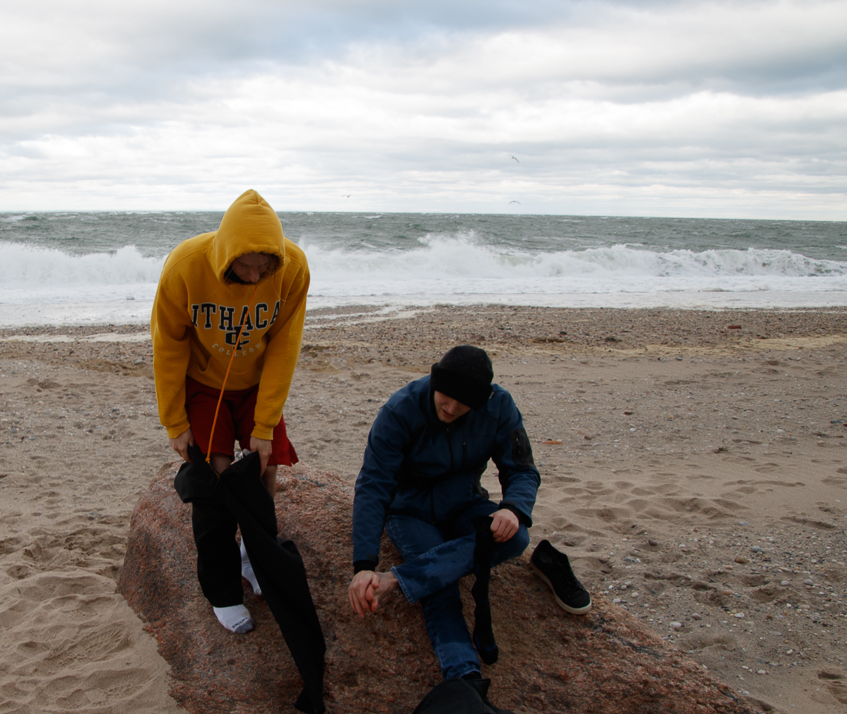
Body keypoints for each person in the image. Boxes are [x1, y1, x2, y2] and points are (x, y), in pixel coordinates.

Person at [347, 344, 591, 682]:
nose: (450, 407)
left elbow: (522, 470)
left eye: (462, 404)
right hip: (409, 513)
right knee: (439, 584)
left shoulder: (498, 406)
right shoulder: (400, 410)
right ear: (435, 382)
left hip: (466, 503)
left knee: (516, 536)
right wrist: (364, 564)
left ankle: (399, 580)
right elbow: (373, 486)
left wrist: (513, 508)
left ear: (480, 400)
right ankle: (464, 678)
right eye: (444, 397)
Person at [151, 189, 310, 634]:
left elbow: (284, 345)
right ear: (227, 254)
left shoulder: (294, 268)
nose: (256, 275)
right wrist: (175, 421)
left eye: (264, 266)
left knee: (266, 467)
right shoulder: (185, 267)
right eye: (246, 265)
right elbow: (168, 345)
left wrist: (264, 424)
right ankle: (222, 589)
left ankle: (254, 554)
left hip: (257, 383)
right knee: (216, 477)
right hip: (203, 383)